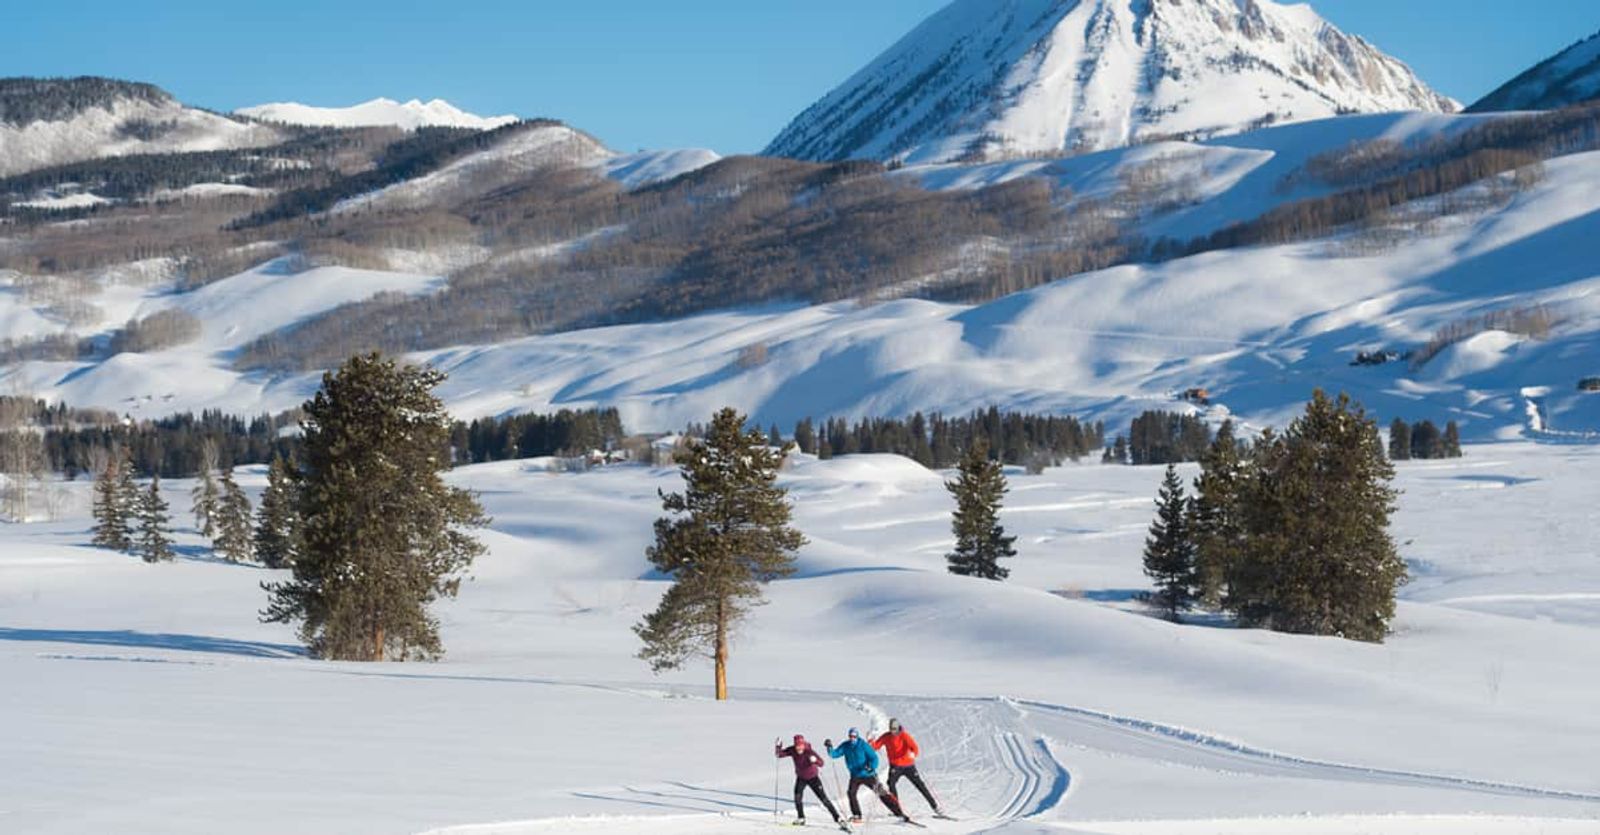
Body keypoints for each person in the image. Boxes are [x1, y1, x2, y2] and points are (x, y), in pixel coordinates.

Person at [825, 728, 912, 824]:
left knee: (881, 792)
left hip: (868, 775)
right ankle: (857, 815)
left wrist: (871, 767)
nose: (852, 738)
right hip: (855, 775)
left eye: (854, 736)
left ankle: (898, 812)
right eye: (850, 736)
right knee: (851, 793)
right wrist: (829, 747)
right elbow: (834, 754)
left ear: (857, 737)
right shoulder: (846, 746)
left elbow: (874, 758)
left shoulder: (863, 745)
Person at [871, 718, 945, 817]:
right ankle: (897, 809)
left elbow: (915, 748)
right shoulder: (886, 737)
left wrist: (913, 754)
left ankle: (935, 807)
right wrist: (870, 740)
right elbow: (875, 746)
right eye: (892, 729)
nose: (893, 731)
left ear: (898, 728)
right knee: (891, 784)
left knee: (920, 785)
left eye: (895, 729)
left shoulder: (904, 736)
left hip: (908, 765)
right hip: (895, 766)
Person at [775, 735, 845, 828]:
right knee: (797, 797)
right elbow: (779, 754)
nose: (799, 748)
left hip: (813, 778)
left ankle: (838, 818)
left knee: (824, 799)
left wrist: (815, 760)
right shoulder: (792, 750)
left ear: (803, 744)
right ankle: (801, 818)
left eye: (800, 745)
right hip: (801, 778)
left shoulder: (809, 752)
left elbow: (821, 763)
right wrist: (778, 746)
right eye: (797, 745)